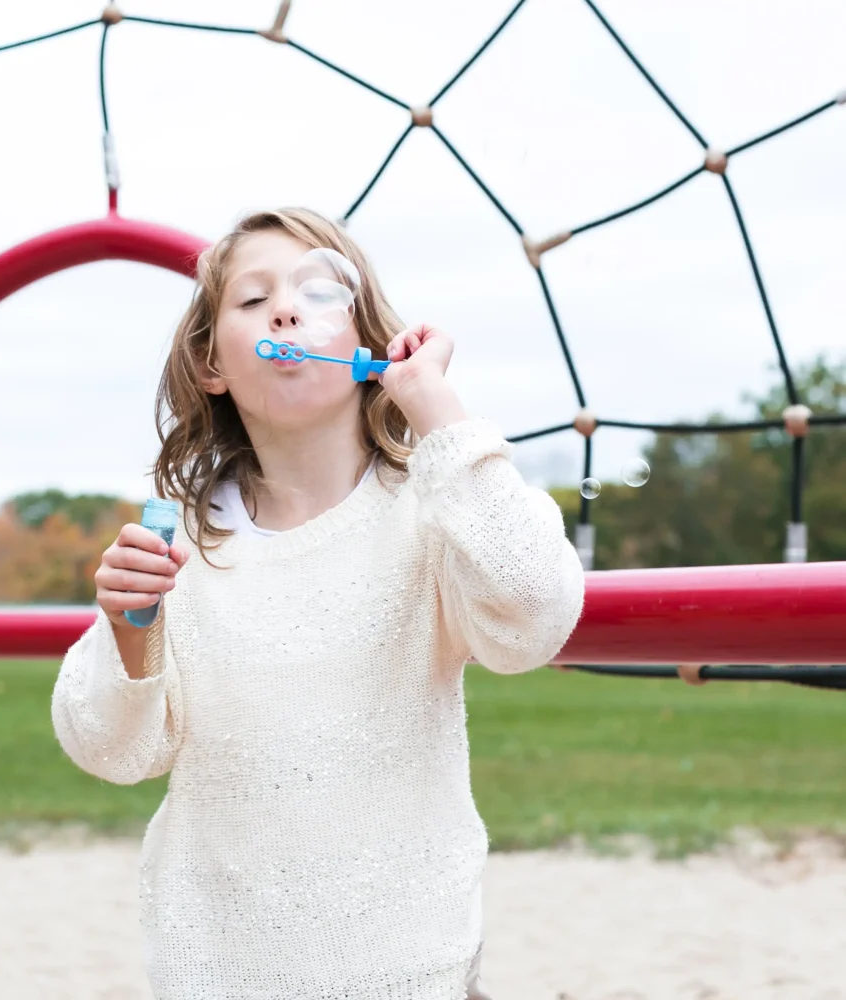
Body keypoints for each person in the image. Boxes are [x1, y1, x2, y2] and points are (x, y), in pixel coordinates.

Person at [50, 208, 585, 998]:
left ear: (366, 346)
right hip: (215, 968)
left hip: (409, 967)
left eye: (320, 291)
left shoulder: (433, 507)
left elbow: (535, 615)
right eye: (252, 298)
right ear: (211, 367)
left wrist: (432, 405)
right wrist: (133, 629)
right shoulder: (182, 542)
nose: (286, 310)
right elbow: (112, 750)